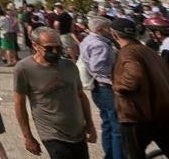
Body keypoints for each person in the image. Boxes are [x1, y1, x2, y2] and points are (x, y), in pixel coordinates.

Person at [13, 27, 96, 159]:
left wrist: (90, 125)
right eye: (49, 48)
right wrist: (28, 137)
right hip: (51, 132)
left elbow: (81, 95)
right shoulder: (24, 69)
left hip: (77, 131)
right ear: (35, 45)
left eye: (58, 47)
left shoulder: (69, 66)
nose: (55, 51)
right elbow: (19, 104)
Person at [111, 18, 169, 158]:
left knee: (134, 155)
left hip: (135, 116)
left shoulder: (127, 52)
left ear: (114, 34)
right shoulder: (149, 51)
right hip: (160, 113)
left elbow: (133, 76)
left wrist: (117, 85)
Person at [80, 17, 122, 159]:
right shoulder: (99, 45)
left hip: (99, 88)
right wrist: (113, 75)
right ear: (100, 30)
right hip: (106, 88)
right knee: (116, 127)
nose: (110, 31)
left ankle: (110, 154)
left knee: (108, 125)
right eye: (108, 28)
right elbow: (97, 66)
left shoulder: (88, 40)